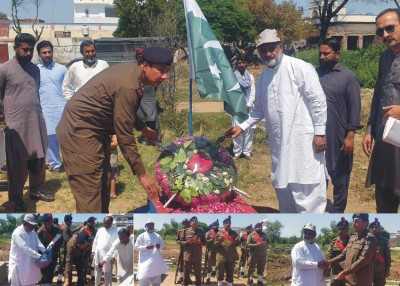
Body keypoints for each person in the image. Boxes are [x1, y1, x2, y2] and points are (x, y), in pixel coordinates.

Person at [56, 47, 173, 213]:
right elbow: (124, 135)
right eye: (161, 70)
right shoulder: (129, 85)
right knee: (90, 191)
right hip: (79, 133)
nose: (165, 76)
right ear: (146, 66)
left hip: (94, 132)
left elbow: (125, 110)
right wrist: (142, 174)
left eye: (167, 71)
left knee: (102, 182)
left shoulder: (134, 74)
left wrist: (143, 127)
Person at [226, 29, 327, 213]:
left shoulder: (300, 67)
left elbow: (318, 101)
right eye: (263, 50)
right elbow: (258, 109)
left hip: (303, 143)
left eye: (271, 48)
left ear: (280, 47)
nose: (268, 53)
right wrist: (241, 126)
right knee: (284, 192)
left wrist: (320, 132)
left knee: (306, 194)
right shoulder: (264, 76)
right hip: (279, 146)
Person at [0, 33, 53, 212]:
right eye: (25, 49)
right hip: (16, 125)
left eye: (31, 50)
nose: (28, 53)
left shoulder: (35, 69)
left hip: (36, 121)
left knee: (38, 158)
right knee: (17, 165)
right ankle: (15, 198)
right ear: (15, 49)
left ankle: (36, 190)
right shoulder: (4, 69)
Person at [317, 38, 362, 213]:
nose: (322, 57)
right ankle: (318, 206)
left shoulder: (348, 77)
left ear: (337, 54)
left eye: (326, 53)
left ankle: (337, 210)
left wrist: (350, 136)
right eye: (320, 53)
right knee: (318, 173)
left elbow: (354, 108)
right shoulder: (315, 74)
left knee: (340, 175)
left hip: (339, 135)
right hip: (318, 135)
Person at [362, 8, 400, 213]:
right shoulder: (385, 58)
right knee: (385, 197)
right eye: (380, 32)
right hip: (386, 141)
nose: (385, 35)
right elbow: (378, 95)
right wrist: (369, 129)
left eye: (390, 28)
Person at [36, 40, 68, 174]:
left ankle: (71, 162)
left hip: (62, 107)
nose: (47, 55)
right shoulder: (35, 70)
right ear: (39, 54)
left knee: (66, 137)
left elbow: (68, 88)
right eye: (44, 53)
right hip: (45, 109)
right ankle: (55, 164)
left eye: (49, 52)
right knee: (50, 138)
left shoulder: (62, 69)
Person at [325, 213, 377, 286]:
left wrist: (344, 273)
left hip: (360, 281)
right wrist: (330, 262)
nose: (353, 224)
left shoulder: (369, 238)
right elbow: (344, 254)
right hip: (348, 280)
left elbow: (362, 260)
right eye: (353, 221)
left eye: (357, 221)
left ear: (365, 223)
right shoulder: (353, 237)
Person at [8, 214, 46, 286]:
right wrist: (40, 256)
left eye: (33, 225)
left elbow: (38, 242)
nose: (33, 227)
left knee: (31, 281)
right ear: (24, 223)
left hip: (30, 264)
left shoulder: (32, 232)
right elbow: (25, 248)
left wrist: (45, 251)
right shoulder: (18, 233)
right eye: (31, 225)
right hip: (20, 265)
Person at [232, 54, 256, 160]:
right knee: (237, 129)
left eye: (243, 62)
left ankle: (247, 152)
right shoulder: (232, 77)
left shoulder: (250, 77)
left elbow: (253, 92)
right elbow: (231, 93)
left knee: (249, 129)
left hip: (249, 107)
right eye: (239, 63)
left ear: (246, 64)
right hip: (237, 107)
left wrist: (249, 104)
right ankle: (237, 153)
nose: (241, 64)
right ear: (236, 64)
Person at [136, 47, 162, 142]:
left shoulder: (151, 67)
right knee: (141, 116)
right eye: (139, 57)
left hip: (149, 93)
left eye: (141, 56)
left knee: (152, 115)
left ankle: (157, 138)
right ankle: (145, 137)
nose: (140, 58)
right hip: (140, 95)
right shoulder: (136, 69)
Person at [134, 220, 169, 286]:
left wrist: (159, 246)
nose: (151, 227)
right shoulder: (141, 236)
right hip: (144, 262)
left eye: (152, 225)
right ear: (145, 226)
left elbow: (163, 246)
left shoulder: (157, 236)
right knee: (143, 281)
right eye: (149, 225)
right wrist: (146, 247)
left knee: (156, 282)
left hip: (155, 262)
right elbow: (136, 247)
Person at [91, 216, 118, 286]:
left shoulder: (116, 231)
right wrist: (93, 251)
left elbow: (117, 245)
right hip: (98, 254)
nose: (106, 225)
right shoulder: (100, 230)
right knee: (97, 270)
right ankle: (97, 284)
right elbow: (95, 241)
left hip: (108, 255)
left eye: (108, 223)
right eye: (105, 223)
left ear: (111, 222)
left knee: (107, 272)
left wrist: (114, 256)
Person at [37, 213, 63, 286]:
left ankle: (48, 283)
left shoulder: (57, 229)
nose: (49, 223)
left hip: (53, 253)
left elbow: (61, 240)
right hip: (43, 255)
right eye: (46, 221)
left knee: (51, 270)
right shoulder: (40, 231)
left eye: (50, 220)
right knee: (43, 271)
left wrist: (55, 244)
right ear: (44, 222)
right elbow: (37, 243)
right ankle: (44, 282)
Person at [214, 216, 239, 286]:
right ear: (223, 224)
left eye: (229, 223)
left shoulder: (234, 233)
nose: (228, 224)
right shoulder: (219, 233)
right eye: (227, 223)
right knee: (220, 273)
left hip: (231, 257)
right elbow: (214, 245)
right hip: (221, 257)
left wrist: (237, 241)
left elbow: (236, 244)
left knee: (230, 273)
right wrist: (219, 241)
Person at [181, 216, 206, 286]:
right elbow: (181, 242)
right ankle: (185, 284)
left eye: (196, 221)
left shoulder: (201, 231)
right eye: (193, 221)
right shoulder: (185, 231)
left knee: (198, 274)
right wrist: (188, 242)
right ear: (190, 223)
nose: (194, 222)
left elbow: (205, 243)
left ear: (197, 223)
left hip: (197, 256)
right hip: (187, 256)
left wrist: (199, 242)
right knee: (186, 274)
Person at [326, 217, 350, 286]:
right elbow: (329, 257)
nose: (340, 231)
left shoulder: (352, 242)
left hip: (348, 274)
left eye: (342, 229)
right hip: (335, 274)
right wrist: (328, 268)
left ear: (347, 229)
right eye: (339, 229)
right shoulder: (333, 243)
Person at [369, 218, 391, 286]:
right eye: (372, 227)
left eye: (376, 227)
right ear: (370, 229)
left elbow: (387, 256)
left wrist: (388, 269)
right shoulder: (365, 240)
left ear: (379, 228)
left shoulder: (384, 241)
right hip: (368, 269)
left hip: (380, 270)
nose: (374, 229)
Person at [247, 222, 268, 286]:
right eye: (258, 227)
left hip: (262, 255)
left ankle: (259, 281)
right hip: (254, 255)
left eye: (260, 227)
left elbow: (267, 243)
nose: (259, 228)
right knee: (251, 268)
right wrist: (256, 245)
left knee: (261, 268)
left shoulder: (264, 235)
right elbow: (247, 244)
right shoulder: (251, 235)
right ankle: (250, 280)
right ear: (255, 228)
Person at [176, 218, 190, 284]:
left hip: (189, 251)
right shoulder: (180, 232)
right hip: (182, 250)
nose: (185, 225)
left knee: (188, 265)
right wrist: (180, 242)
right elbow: (177, 240)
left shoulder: (191, 231)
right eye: (184, 224)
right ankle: (181, 277)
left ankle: (188, 277)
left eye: (187, 224)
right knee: (181, 265)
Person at [205, 219, 219, 284]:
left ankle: (219, 279)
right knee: (209, 264)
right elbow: (205, 241)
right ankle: (208, 278)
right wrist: (211, 240)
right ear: (212, 226)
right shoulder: (209, 232)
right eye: (214, 225)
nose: (215, 226)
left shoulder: (220, 233)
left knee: (218, 265)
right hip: (211, 250)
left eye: (216, 225)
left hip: (219, 251)